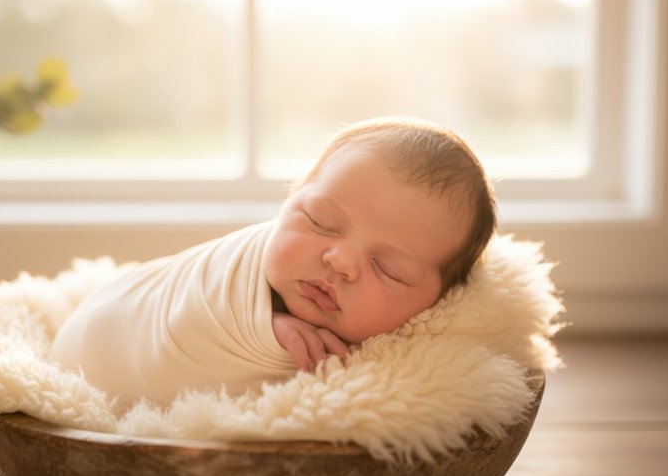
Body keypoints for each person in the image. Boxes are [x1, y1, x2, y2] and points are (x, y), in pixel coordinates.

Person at [48, 116, 496, 408]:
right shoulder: (234, 272)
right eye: (320, 220)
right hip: (108, 329)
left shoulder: (410, 366)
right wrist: (266, 325)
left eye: (388, 268)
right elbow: (195, 310)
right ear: (290, 200)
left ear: (439, 300)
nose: (340, 260)